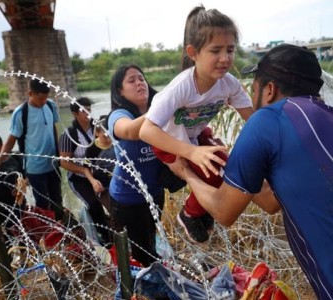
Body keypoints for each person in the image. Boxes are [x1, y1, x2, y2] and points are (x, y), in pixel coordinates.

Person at [168, 44, 333, 298]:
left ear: (269, 90)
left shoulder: (268, 119)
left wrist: (187, 173)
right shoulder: (324, 117)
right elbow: (269, 201)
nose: (250, 94)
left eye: (253, 87)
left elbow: (224, 211)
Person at [139, 5, 254, 243]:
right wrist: (191, 152)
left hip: (195, 135)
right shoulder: (182, 86)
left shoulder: (229, 84)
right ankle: (189, 214)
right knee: (213, 167)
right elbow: (146, 131)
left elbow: (253, 119)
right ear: (193, 52)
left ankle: (201, 209)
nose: (225, 59)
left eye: (230, 50)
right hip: (168, 141)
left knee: (226, 165)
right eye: (215, 51)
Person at [0, 79, 64, 221]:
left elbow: (53, 128)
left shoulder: (50, 105)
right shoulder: (21, 113)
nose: (43, 101)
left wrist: (59, 152)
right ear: (30, 93)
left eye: (46, 97)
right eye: (40, 98)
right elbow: (10, 141)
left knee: (57, 198)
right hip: (35, 167)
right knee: (42, 203)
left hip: (53, 163)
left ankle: (62, 230)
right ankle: (48, 234)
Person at [108, 64, 165, 267]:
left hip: (155, 192)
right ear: (120, 91)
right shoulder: (118, 115)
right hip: (128, 199)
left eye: (141, 78)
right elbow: (131, 131)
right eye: (131, 81)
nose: (139, 83)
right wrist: (165, 107)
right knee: (139, 253)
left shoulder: (157, 109)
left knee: (149, 239)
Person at [58, 97, 109, 244]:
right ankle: (105, 236)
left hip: (102, 174)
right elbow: (64, 162)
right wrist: (85, 171)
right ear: (75, 114)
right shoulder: (70, 135)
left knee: (114, 202)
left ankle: (115, 229)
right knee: (93, 204)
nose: (88, 112)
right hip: (79, 178)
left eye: (89, 108)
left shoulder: (98, 127)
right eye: (83, 110)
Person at [85, 115, 116, 213]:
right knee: (113, 210)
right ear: (97, 133)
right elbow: (86, 168)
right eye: (105, 136)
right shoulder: (92, 149)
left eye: (110, 135)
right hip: (104, 186)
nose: (108, 139)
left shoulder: (117, 142)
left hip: (119, 182)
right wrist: (93, 181)